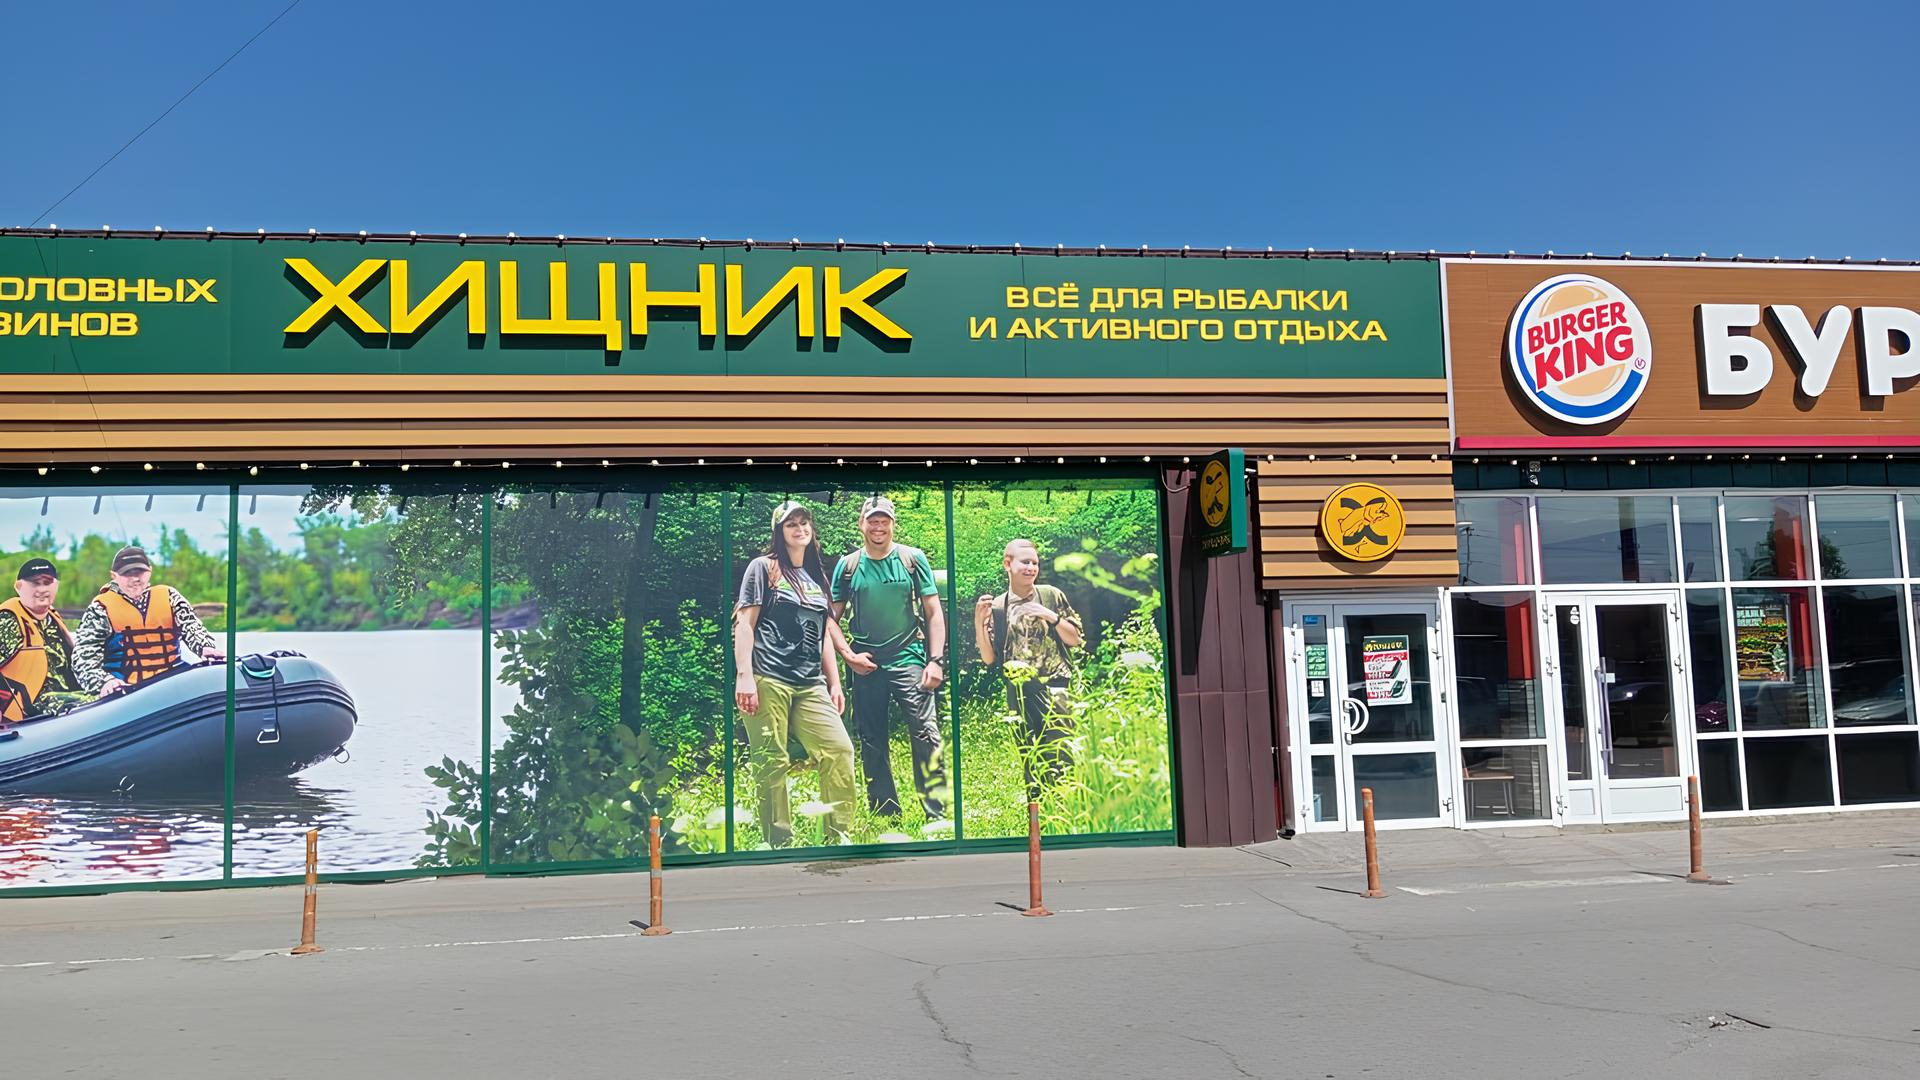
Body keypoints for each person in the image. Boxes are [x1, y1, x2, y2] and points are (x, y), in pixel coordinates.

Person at [733, 502, 858, 847]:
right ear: (780, 531)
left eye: (804, 523)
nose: (800, 529)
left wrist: (835, 682)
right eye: (791, 524)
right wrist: (744, 676)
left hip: (810, 684)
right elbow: (745, 623)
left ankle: (838, 836)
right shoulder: (764, 568)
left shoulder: (816, 577)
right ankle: (779, 843)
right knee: (771, 760)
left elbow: (823, 635)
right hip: (768, 677)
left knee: (839, 750)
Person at [830, 495, 949, 820]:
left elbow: (933, 611)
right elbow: (829, 618)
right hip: (866, 662)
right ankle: (885, 814)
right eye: (873, 520)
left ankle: (937, 815)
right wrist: (848, 656)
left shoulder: (912, 559)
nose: (878, 527)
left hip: (909, 656)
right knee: (871, 739)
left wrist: (935, 660)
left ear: (893, 524)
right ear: (862, 524)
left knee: (926, 733)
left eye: (884, 521)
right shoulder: (848, 565)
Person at [975, 539, 1084, 793]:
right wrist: (979, 623)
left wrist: (1050, 616)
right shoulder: (999, 606)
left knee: (1060, 759)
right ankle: (1036, 815)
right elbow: (989, 659)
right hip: (1019, 692)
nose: (1031, 568)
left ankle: (1062, 812)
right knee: (1030, 761)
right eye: (1025, 562)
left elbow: (1076, 639)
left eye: (1035, 563)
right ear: (1007, 564)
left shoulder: (1051, 595)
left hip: (1056, 688)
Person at [72, 546, 226, 695]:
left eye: (140, 572)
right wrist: (104, 682)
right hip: (126, 691)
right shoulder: (100, 608)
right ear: (114, 575)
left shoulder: (170, 597)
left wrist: (205, 647)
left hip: (173, 682)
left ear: (150, 571)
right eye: (127, 573)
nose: (135, 578)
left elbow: (191, 627)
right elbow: (83, 658)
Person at [0, 558, 88, 727]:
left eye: (47, 583)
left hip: (66, 698)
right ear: (19, 587)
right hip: (33, 708)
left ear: (56, 586)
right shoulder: (8, 620)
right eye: (35, 583)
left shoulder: (51, 617)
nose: (41, 589)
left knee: (110, 693)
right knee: (98, 700)